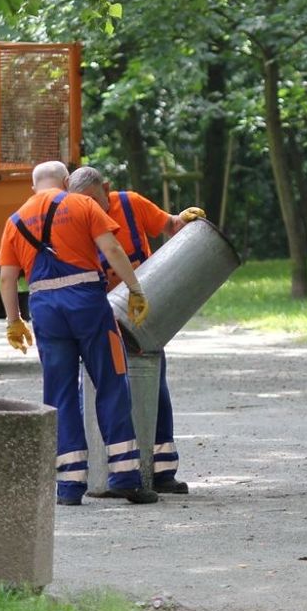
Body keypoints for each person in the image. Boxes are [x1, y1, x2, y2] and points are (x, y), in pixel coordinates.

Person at [0, 161, 159, 506]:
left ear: (33, 188)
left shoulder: (15, 221)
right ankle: (126, 477)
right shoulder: (82, 203)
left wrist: (14, 321)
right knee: (111, 382)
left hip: (45, 311)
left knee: (60, 393)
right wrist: (135, 289)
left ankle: (69, 486)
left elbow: (7, 278)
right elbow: (112, 249)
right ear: (67, 181)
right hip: (88, 305)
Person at [66, 166, 204, 495]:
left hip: (143, 314)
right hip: (101, 316)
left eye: (93, 201)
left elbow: (169, 225)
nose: (88, 209)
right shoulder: (72, 222)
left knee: (155, 389)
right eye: (81, 203)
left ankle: (161, 471)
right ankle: (102, 470)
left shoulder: (131, 204)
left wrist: (184, 219)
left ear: (107, 189)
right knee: (98, 393)